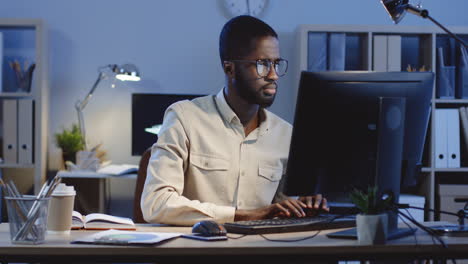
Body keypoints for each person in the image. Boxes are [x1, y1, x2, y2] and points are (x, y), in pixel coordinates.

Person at [141, 15, 327, 226]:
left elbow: (279, 208)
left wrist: (302, 205)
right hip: (198, 251)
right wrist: (245, 215)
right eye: (262, 64)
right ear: (229, 69)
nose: (274, 75)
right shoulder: (185, 118)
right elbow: (155, 203)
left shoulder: (286, 134)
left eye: (276, 63)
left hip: (258, 252)